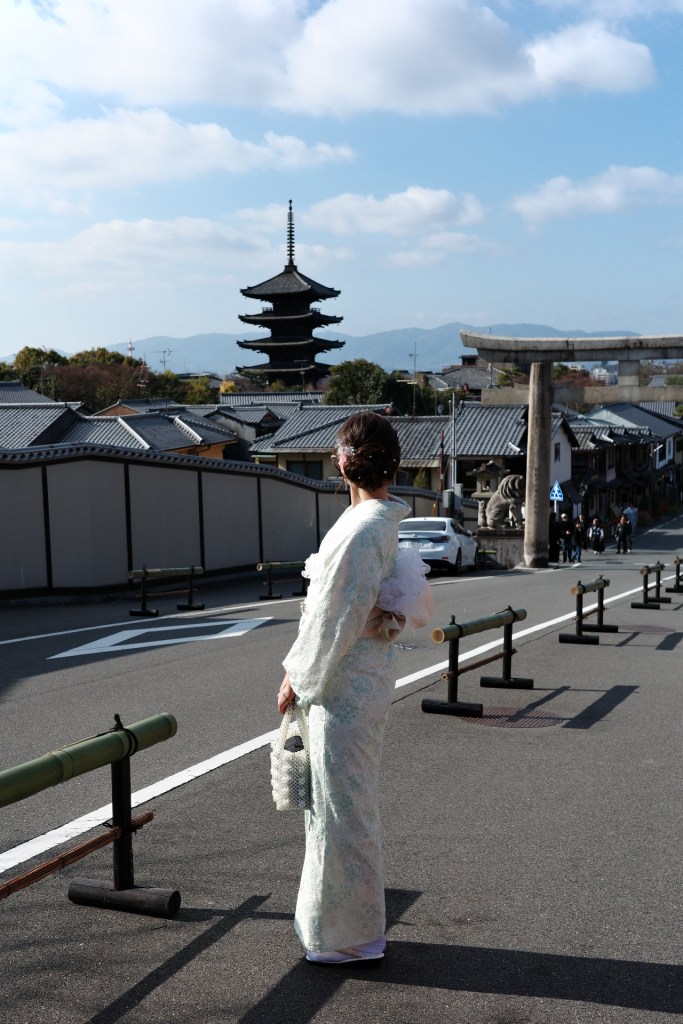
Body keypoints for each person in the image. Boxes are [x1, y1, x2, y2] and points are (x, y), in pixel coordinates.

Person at [277, 412, 434, 966]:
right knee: (342, 803)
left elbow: (333, 616)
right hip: (359, 674)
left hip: (342, 681)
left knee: (343, 809)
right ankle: (341, 926)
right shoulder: (378, 519)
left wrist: (297, 675)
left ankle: (353, 934)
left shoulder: (362, 526)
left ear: (343, 461)